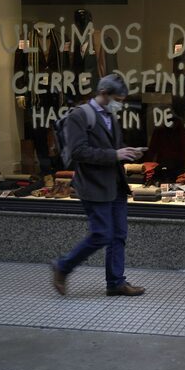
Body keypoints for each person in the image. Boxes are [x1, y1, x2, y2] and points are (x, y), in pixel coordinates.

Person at [51, 74, 146, 297]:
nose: (120, 103)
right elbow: (78, 151)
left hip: (116, 185)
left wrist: (128, 152)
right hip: (93, 186)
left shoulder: (110, 116)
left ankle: (116, 282)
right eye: (118, 99)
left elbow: (113, 147)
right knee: (102, 234)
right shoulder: (80, 116)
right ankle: (62, 266)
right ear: (103, 93)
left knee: (119, 235)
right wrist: (115, 154)